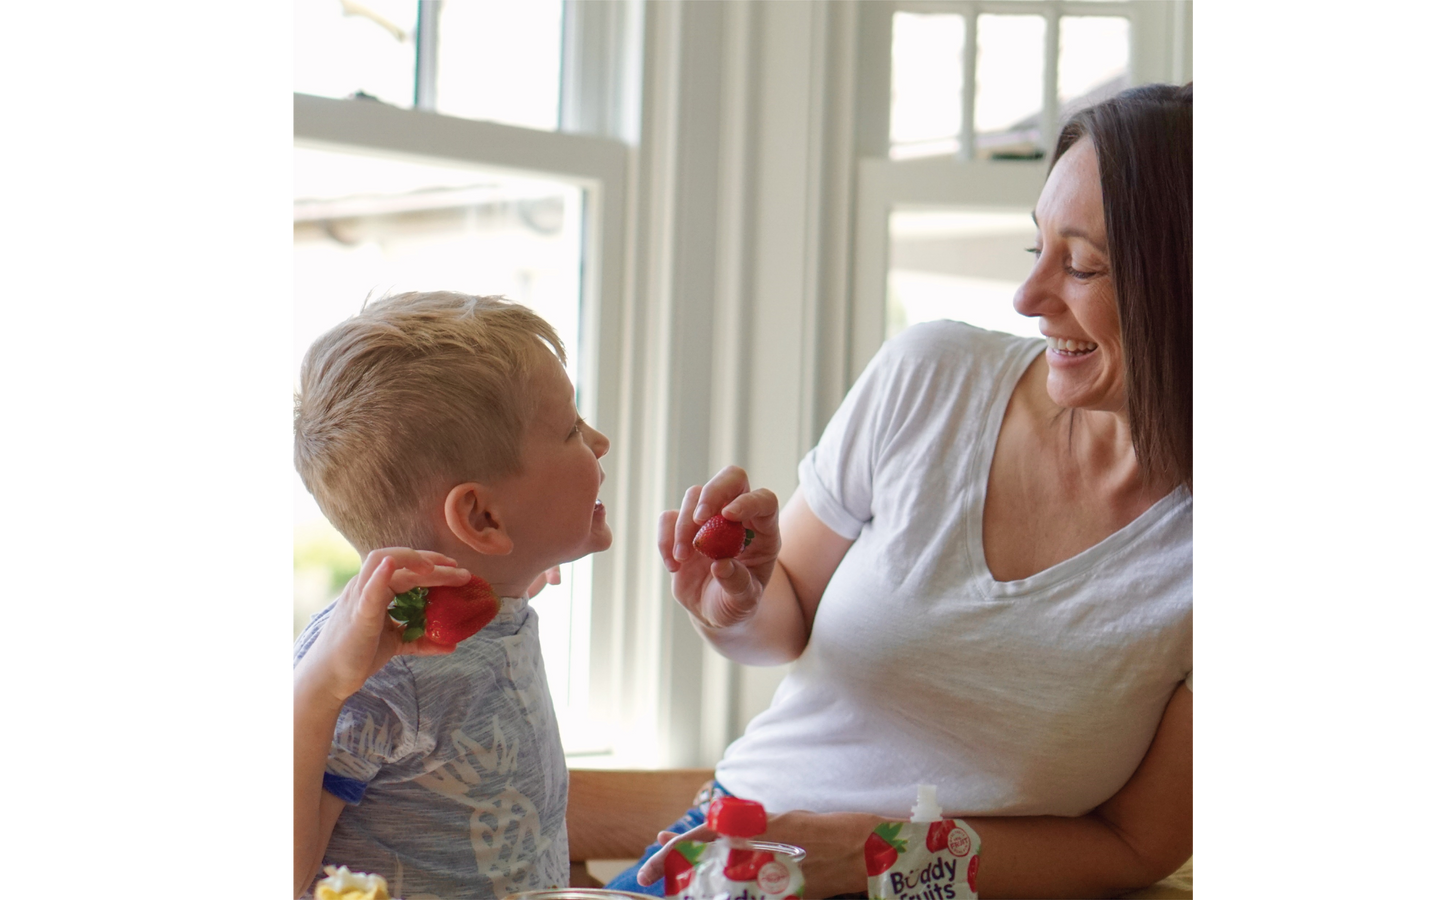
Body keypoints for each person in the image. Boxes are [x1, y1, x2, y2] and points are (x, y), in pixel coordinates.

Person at [614, 82, 1194, 899]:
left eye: (1084, 265)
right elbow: (785, 626)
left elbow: (1135, 846)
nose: (1027, 301)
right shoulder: (930, 376)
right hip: (739, 857)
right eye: (1037, 251)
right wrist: (735, 605)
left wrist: (880, 853)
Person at [290, 292, 613, 900]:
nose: (600, 442)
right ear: (483, 518)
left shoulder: (487, 602)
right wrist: (316, 689)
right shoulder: (380, 671)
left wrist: (523, 569)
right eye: (571, 429)